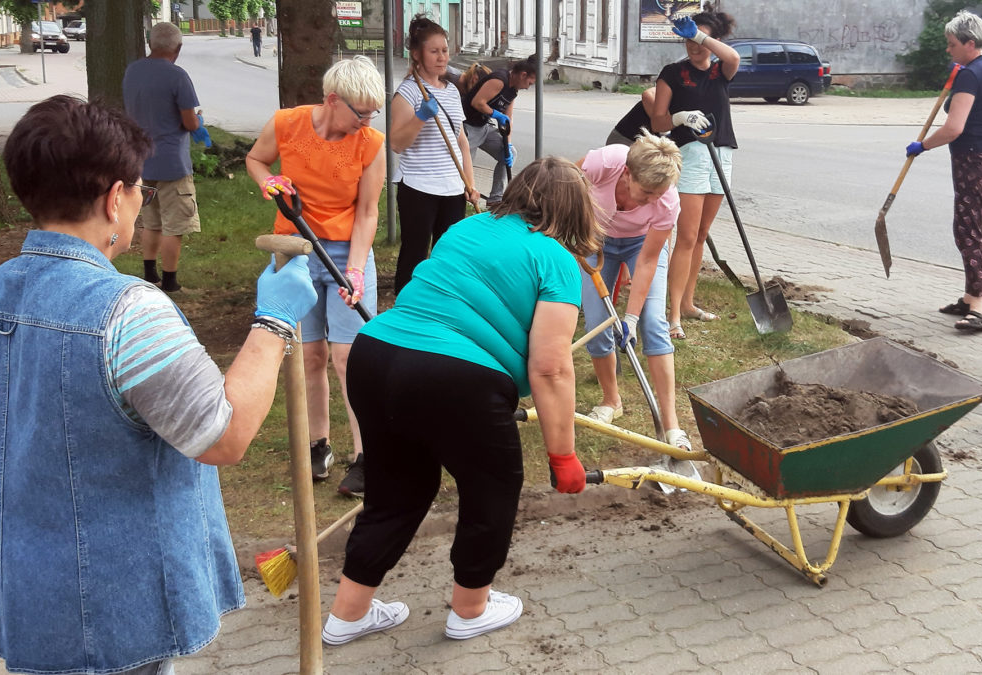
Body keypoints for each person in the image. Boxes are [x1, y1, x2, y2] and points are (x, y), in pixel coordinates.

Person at [0, 95, 317, 675]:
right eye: (139, 188)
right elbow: (223, 434)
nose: (141, 201)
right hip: (115, 609)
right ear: (114, 198)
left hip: (26, 594)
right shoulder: (126, 311)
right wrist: (274, 322)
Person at [322, 157, 600, 645]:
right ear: (575, 211)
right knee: (491, 488)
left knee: (395, 492)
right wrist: (563, 456)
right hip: (456, 376)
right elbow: (551, 367)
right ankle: (470, 609)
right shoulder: (555, 258)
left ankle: (347, 615)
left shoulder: (467, 227)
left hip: (377, 354)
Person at [245, 56, 386, 496]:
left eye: (371, 114)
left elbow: (367, 212)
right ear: (332, 99)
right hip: (295, 251)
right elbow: (256, 159)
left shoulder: (371, 143)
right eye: (360, 112)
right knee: (309, 356)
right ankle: (317, 445)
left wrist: (357, 270)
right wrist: (268, 182)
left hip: (346, 254)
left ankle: (367, 457)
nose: (366, 122)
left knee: (350, 358)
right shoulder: (287, 124)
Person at [575, 131, 694, 453]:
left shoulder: (667, 201)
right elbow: (564, 187)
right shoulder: (604, 163)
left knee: (653, 323)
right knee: (597, 324)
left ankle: (671, 426)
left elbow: (648, 261)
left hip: (641, 246)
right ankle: (611, 401)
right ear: (627, 173)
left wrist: (630, 316)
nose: (652, 200)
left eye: (658, 194)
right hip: (595, 239)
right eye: (646, 193)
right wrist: (574, 232)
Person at [906, 10, 982, 333]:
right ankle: (968, 297)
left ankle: (979, 307)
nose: (948, 50)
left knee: (968, 232)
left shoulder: (971, 75)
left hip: (976, 163)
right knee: (968, 228)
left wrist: (923, 146)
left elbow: (953, 129)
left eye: (952, 44)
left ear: (970, 43)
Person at [651, 5, 739, 340]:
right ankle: (672, 315)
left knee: (701, 235)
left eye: (700, 39)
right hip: (690, 153)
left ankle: (687, 303)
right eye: (688, 39)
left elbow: (733, 58)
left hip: (722, 153)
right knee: (685, 237)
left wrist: (700, 34)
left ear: (712, 39)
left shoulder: (720, 71)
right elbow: (658, 120)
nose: (693, 46)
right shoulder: (673, 73)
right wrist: (679, 117)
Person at [391, 14, 478, 295]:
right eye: (434, 51)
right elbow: (396, 143)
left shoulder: (452, 91)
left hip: (453, 188)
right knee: (415, 253)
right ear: (417, 55)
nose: (442, 57)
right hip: (419, 187)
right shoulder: (408, 92)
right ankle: (406, 307)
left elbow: (461, 141)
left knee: (449, 255)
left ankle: (441, 306)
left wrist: (470, 183)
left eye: (444, 50)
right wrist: (420, 117)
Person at [122, 21, 204, 293]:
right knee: (174, 224)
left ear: (150, 44)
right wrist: (198, 122)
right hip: (172, 163)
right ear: (177, 48)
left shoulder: (132, 71)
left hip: (142, 160)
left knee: (151, 221)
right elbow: (190, 123)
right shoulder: (177, 76)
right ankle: (171, 282)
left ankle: (149, 275)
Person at [460, 56, 538, 205]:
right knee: (465, 176)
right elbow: (477, 102)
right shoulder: (499, 80)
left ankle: (495, 199)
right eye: (529, 82)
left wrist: (507, 144)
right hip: (466, 128)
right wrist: (496, 114)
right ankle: (460, 203)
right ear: (523, 75)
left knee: (510, 154)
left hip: (483, 127)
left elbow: (508, 119)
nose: (528, 87)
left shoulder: (513, 90)